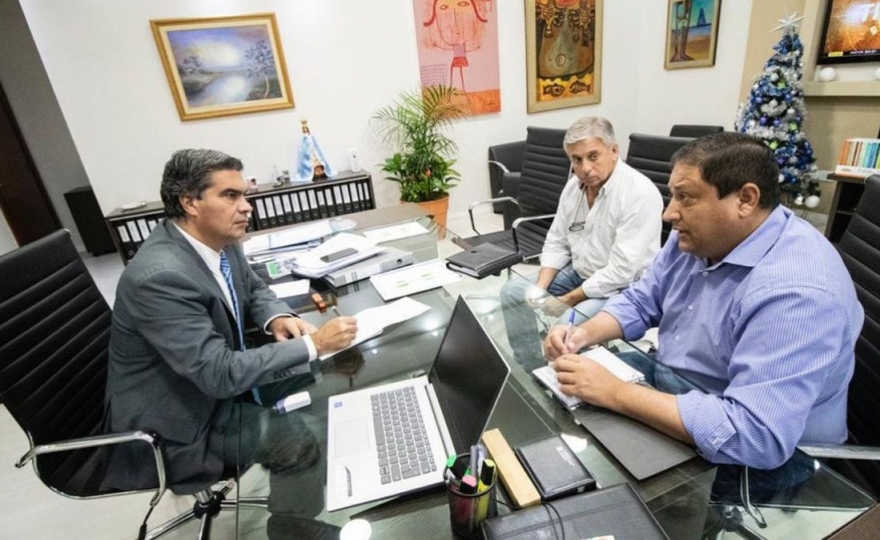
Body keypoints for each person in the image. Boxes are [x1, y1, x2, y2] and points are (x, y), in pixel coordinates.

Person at [544, 132, 864, 469]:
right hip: (680, 392)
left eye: (685, 197)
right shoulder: (697, 237)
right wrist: (583, 333)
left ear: (745, 199)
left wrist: (615, 392)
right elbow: (643, 299)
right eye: (673, 196)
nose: (669, 213)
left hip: (767, 462)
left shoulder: (798, 293)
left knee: (592, 475)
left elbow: (754, 435)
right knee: (564, 434)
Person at [102, 149, 358, 493]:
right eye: (230, 195)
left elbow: (252, 286)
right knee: (304, 437)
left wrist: (277, 316)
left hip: (215, 384)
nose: (246, 207)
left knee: (331, 380)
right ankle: (293, 518)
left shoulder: (220, 240)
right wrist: (315, 343)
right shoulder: (159, 278)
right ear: (190, 203)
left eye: (244, 195)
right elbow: (219, 374)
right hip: (184, 420)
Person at [500, 116, 662, 366]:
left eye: (593, 156)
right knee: (513, 292)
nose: (585, 168)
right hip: (579, 272)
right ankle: (530, 367)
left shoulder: (639, 193)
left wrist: (568, 300)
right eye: (576, 159)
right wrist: (541, 287)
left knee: (565, 329)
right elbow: (557, 241)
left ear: (614, 150)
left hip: (622, 287)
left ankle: (570, 379)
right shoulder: (573, 187)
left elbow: (622, 271)